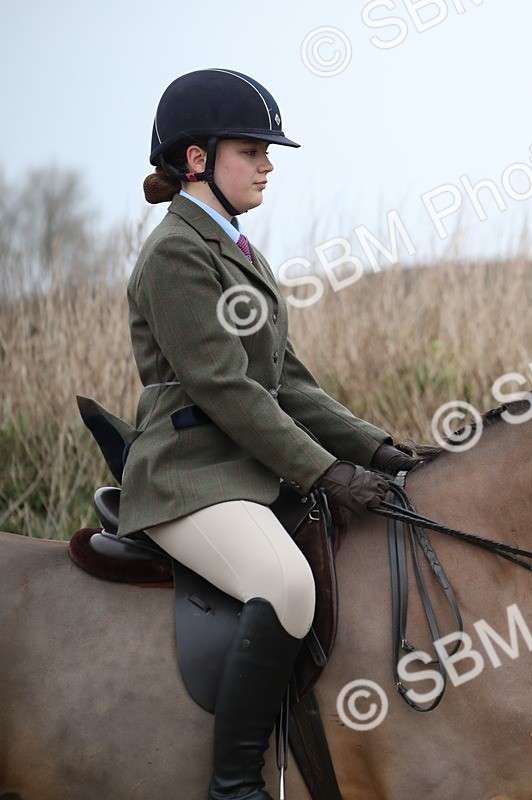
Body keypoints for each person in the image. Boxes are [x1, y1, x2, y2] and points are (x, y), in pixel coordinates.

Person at [123, 68, 411, 800]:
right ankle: (233, 786)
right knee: (286, 586)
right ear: (198, 159)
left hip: (244, 472)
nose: (267, 164)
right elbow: (226, 389)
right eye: (251, 150)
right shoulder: (175, 255)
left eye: (266, 151)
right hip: (190, 475)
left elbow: (288, 383)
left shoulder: (239, 250)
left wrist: (376, 449)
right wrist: (324, 472)